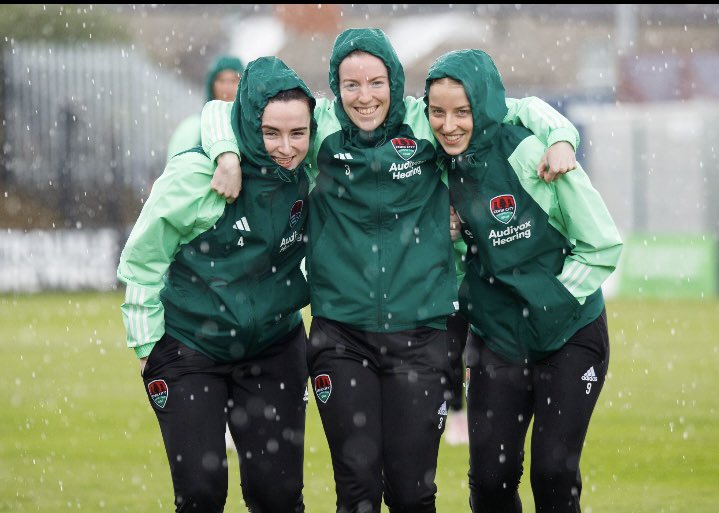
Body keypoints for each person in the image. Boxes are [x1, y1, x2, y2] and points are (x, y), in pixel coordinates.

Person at [199, 28, 581, 513]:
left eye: (376, 82)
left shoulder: (427, 121)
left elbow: (513, 106)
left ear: (395, 80)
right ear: (335, 87)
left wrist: (563, 136)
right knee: (357, 490)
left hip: (420, 338)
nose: (364, 97)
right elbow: (220, 110)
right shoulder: (317, 128)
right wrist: (226, 154)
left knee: (412, 494)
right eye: (351, 84)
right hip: (342, 338)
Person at [424, 49, 623, 513]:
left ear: (485, 107)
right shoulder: (435, 170)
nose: (449, 124)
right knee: (491, 483)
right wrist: (447, 241)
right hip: (497, 341)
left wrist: (550, 299)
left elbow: (602, 242)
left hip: (569, 333)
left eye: (463, 111)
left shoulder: (530, 152)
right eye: (438, 112)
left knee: (553, 473)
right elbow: (456, 272)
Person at [117, 56, 315, 513]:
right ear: (248, 123)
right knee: (202, 494)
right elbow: (142, 261)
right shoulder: (194, 178)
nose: (286, 147)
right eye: (271, 133)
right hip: (191, 350)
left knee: (278, 497)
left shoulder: (313, 164)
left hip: (274, 348)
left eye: (297, 133)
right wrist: (147, 348)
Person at [166, 55, 244, 161]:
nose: (227, 86)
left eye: (234, 80)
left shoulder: (251, 127)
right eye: (222, 80)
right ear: (212, 85)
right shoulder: (192, 127)